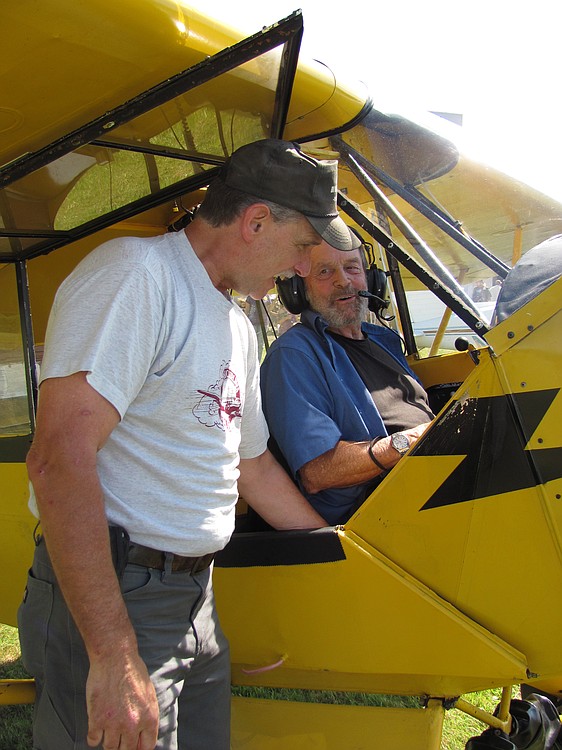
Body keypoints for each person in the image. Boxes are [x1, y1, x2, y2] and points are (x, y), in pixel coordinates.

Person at [18, 138, 359, 750]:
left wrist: (338, 556)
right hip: (119, 594)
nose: (305, 267)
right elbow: (57, 460)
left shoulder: (237, 322)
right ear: (256, 221)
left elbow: (250, 465)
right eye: (306, 246)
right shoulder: (136, 275)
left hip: (195, 600)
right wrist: (115, 653)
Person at [260, 229, 434, 525]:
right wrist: (413, 441)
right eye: (325, 271)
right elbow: (318, 471)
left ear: (371, 280)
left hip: (428, 486)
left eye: (352, 268)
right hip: (375, 517)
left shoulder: (384, 340)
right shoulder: (293, 355)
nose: (343, 281)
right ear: (298, 291)